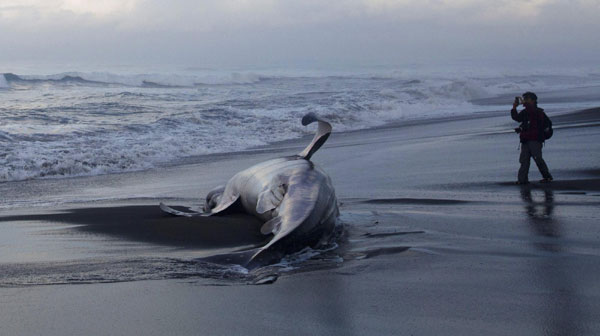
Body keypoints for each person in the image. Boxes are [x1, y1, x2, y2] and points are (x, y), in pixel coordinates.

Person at [511, 91, 553, 184]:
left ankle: (547, 177)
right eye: (524, 98)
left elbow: (532, 115)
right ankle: (522, 180)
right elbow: (517, 118)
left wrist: (524, 104)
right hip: (525, 139)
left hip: (535, 139)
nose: (524, 101)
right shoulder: (526, 112)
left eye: (526, 99)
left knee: (538, 159)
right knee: (524, 161)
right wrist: (514, 107)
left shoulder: (538, 112)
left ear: (533, 100)